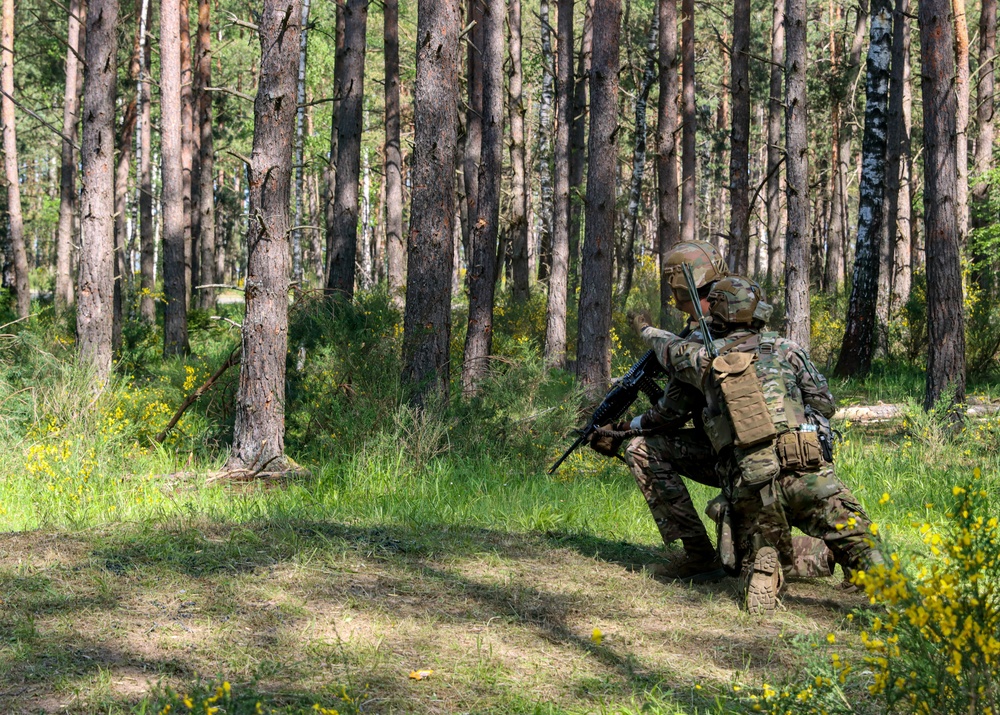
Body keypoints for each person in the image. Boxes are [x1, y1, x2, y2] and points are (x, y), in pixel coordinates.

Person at [633, 276, 884, 614]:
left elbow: (668, 351)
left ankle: (766, 563)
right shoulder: (786, 348)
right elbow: (824, 403)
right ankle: (867, 567)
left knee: (745, 548)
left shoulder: (703, 360)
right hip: (805, 467)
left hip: (750, 475)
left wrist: (644, 328)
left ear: (717, 314)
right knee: (856, 530)